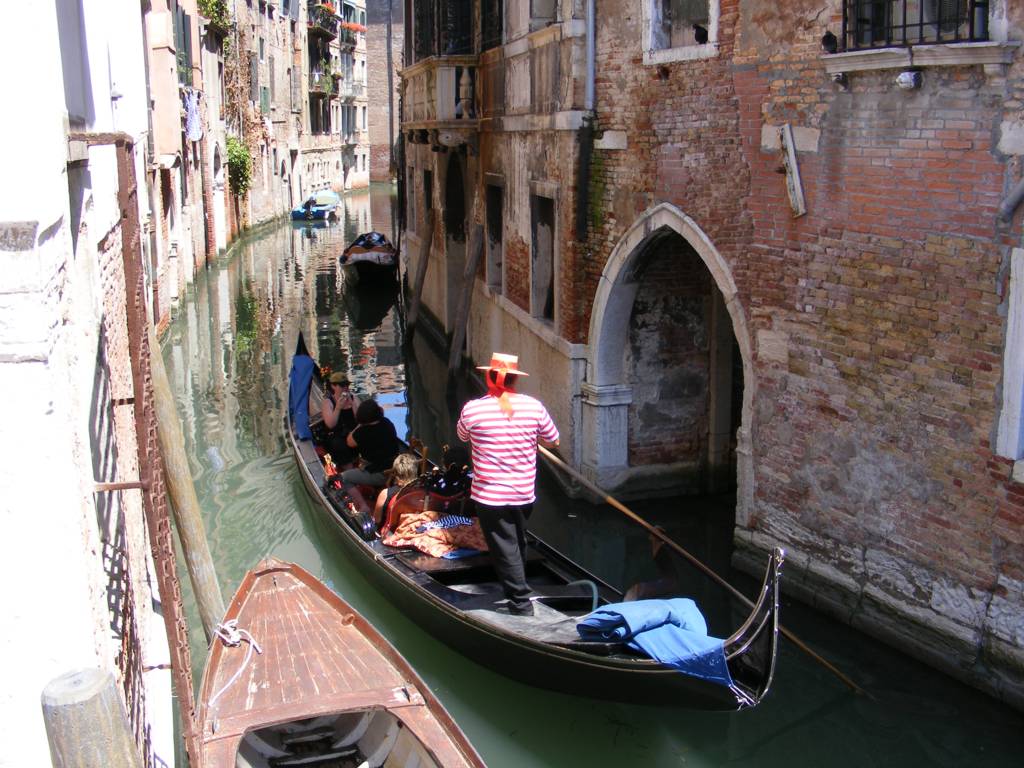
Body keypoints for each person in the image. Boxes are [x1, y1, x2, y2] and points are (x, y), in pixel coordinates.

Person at [456, 353, 559, 616]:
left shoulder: (473, 409)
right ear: (514, 379)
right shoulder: (533, 407)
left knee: (504, 547)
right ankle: (518, 586)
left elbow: (462, 435)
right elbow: (553, 440)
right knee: (516, 542)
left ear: (489, 377)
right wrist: (528, 436)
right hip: (524, 494)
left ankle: (521, 603)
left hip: (490, 496)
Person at [341, 399, 400, 490]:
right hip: (395, 467)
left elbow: (349, 442)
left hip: (379, 474)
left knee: (343, 478)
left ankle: (362, 504)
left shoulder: (362, 432)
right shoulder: (386, 422)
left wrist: (360, 424)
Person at [321, 372, 359, 468]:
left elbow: (361, 419)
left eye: (347, 384)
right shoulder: (328, 402)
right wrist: (338, 408)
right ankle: (348, 468)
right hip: (337, 435)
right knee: (338, 444)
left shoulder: (354, 398)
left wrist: (353, 404)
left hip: (353, 432)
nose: (346, 387)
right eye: (342, 385)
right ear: (333, 386)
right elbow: (330, 425)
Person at [373, 453, 420, 529]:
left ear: (395, 472)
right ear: (415, 471)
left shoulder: (385, 494)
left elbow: (376, 521)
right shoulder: (420, 494)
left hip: (388, 536)